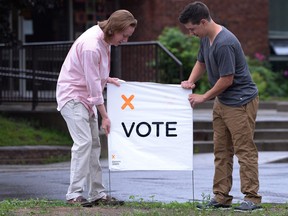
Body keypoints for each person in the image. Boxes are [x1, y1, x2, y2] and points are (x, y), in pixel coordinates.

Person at [178, 1, 262, 211]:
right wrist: (190, 81)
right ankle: (221, 196)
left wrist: (203, 97)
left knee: (244, 151)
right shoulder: (206, 38)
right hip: (223, 102)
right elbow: (201, 62)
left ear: (203, 22)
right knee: (221, 150)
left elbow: (227, 79)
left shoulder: (225, 42)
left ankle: (252, 198)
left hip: (241, 102)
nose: (191, 33)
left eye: (192, 29)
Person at [56, 10, 137, 207]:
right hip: (73, 97)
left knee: (93, 145)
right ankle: (73, 194)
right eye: (124, 35)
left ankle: (97, 194)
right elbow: (92, 84)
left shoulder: (104, 39)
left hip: (85, 97)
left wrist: (107, 79)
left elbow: (92, 73)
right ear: (113, 30)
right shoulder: (92, 46)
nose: (125, 40)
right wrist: (105, 116)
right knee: (84, 144)